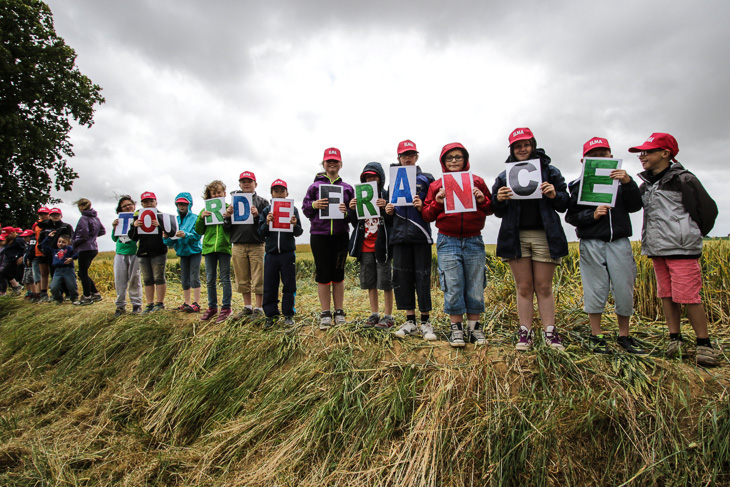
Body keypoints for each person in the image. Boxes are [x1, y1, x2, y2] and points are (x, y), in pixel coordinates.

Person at [629, 133, 719, 366]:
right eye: (641, 152)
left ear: (665, 153)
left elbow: (707, 211)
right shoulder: (646, 184)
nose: (642, 156)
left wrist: (689, 233)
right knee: (666, 295)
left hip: (682, 249)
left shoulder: (684, 179)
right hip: (657, 249)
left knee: (689, 296)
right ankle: (674, 338)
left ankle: (704, 344)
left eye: (647, 152)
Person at [492, 127, 570, 351]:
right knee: (524, 287)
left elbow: (565, 203)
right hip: (515, 236)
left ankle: (550, 332)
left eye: (526, 145)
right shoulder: (503, 175)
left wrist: (555, 194)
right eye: (517, 146)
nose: (522, 149)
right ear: (512, 149)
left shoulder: (550, 171)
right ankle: (525, 332)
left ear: (533, 145)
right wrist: (499, 198)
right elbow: (496, 209)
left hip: (544, 235)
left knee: (544, 287)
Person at [566, 137, 646, 355]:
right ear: (584, 161)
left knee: (623, 288)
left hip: (619, 241)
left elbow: (635, 206)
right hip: (591, 242)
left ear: (611, 157)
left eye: (603, 154)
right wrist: (591, 215)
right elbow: (570, 216)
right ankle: (596, 334)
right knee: (595, 288)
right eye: (594, 155)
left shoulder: (623, 183)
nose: (600, 158)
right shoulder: (577, 186)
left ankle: (624, 335)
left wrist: (629, 182)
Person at [422, 143, 493, 347]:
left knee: (475, 285)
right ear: (443, 162)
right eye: (449, 158)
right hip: (447, 239)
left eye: (458, 157)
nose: (454, 161)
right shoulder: (437, 185)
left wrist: (481, 199)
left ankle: (475, 329)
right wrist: (437, 201)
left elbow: (491, 209)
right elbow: (427, 214)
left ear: (465, 159)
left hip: (474, 239)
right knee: (452, 285)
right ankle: (457, 330)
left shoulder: (477, 181)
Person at [388, 140, 437, 341]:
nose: (407, 158)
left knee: (423, 278)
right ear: (398, 158)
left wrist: (422, 205)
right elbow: (389, 209)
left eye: (410, 154)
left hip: (421, 235)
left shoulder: (427, 179)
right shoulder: (392, 181)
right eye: (403, 155)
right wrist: (388, 211)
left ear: (416, 156)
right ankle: (410, 321)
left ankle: (425, 322)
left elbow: (433, 207)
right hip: (399, 236)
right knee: (402, 280)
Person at [302, 147, 354, 330]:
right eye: (328, 161)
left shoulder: (347, 188)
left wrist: (347, 211)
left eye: (335, 161)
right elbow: (306, 209)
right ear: (323, 164)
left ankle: (339, 311)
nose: (332, 164)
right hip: (319, 236)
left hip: (340, 236)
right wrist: (314, 204)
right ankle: (325, 313)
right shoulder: (314, 187)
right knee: (323, 274)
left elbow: (353, 216)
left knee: (338, 274)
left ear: (340, 164)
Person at [347, 162, 393, 329]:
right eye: (367, 176)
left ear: (380, 178)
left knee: (386, 281)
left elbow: (392, 221)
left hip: (382, 246)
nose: (371, 179)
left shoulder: (387, 196)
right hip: (365, 245)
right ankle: (375, 313)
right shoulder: (360, 196)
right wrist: (351, 210)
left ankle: (388, 315)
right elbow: (354, 223)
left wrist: (386, 209)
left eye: (374, 176)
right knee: (370, 282)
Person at [258, 179, 304, 329]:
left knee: (289, 284)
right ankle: (270, 315)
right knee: (270, 285)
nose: (279, 193)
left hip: (287, 253)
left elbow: (299, 232)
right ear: (271, 194)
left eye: (282, 191)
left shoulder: (293, 210)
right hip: (271, 253)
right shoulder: (266, 211)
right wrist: (266, 222)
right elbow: (260, 233)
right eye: (276, 191)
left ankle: (288, 314)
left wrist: (294, 224)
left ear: (287, 193)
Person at [226, 171, 269, 321]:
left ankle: (258, 308)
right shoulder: (233, 202)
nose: (246, 183)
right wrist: (227, 216)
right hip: (238, 243)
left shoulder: (263, 202)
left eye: (249, 181)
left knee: (259, 277)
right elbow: (227, 227)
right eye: (243, 181)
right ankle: (247, 307)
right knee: (242, 277)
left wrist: (258, 216)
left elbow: (267, 226)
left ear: (255, 184)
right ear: (239, 184)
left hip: (257, 244)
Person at [128, 191, 175, 313]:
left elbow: (171, 233)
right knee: (147, 279)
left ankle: (160, 303)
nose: (148, 204)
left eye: (151, 201)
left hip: (159, 251)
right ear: (142, 204)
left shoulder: (162, 216)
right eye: (145, 202)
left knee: (159, 277)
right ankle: (149, 304)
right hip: (143, 252)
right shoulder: (136, 217)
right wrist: (134, 226)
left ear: (156, 202)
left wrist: (160, 226)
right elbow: (133, 238)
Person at [195, 180, 233, 323]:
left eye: (219, 192)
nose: (217, 194)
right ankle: (212, 307)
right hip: (209, 247)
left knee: (225, 278)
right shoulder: (205, 210)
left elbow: (232, 227)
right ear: (209, 195)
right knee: (210, 279)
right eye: (214, 192)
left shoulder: (229, 208)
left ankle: (226, 307)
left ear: (224, 193)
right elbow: (199, 230)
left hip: (224, 246)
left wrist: (228, 216)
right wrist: (201, 218)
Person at [164, 192, 203, 313]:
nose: (181, 206)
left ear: (189, 204)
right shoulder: (174, 220)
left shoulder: (195, 218)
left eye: (184, 204)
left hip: (194, 251)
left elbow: (197, 235)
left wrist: (186, 235)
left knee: (194, 277)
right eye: (179, 204)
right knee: (184, 278)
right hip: (182, 252)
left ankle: (196, 303)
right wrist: (166, 237)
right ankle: (186, 302)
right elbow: (170, 242)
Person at [111, 195, 143, 315]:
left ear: (134, 205)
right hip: (120, 252)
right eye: (124, 206)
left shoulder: (139, 219)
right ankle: (120, 306)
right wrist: (114, 227)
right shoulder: (118, 221)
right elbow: (114, 238)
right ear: (120, 209)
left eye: (129, 204)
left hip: (134, 252)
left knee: (135, 279)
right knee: (120, 280)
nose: (127, 207)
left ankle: (136, 304)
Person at [72, 198, 106, 305]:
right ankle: (95, 293)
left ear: (81, 206)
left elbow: (82, 235)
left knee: (82, 272)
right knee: (83, 273)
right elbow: (102, 231)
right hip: (93, 247)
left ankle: (86, 296)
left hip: (85, 248)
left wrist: (73, 244)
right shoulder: (96, 218)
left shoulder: (84, 218)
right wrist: (93, 236)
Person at [41, 232, 79, 304]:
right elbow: (44, 246)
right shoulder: (54, 251)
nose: (61, 243)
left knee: (71, 285)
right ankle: (58, 298)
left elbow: (78, 252)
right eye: (59, 242)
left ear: (68, 243)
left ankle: (74, 298)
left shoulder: (69, 249)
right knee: (53, 287)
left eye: (63, 242)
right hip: (57, 270)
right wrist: (49, 237)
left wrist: (72, 258)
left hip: (68, 269)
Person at [0, 228, 25, 295]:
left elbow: (24, 248)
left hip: (16, 260)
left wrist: (22, 257)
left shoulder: (18, 240)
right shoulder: (8, 241)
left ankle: (17, 285)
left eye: (7, 235)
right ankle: (16, 290)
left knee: (4, 272)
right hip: (9, 259)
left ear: (12, 233)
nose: (6, 236)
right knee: (8, 274)